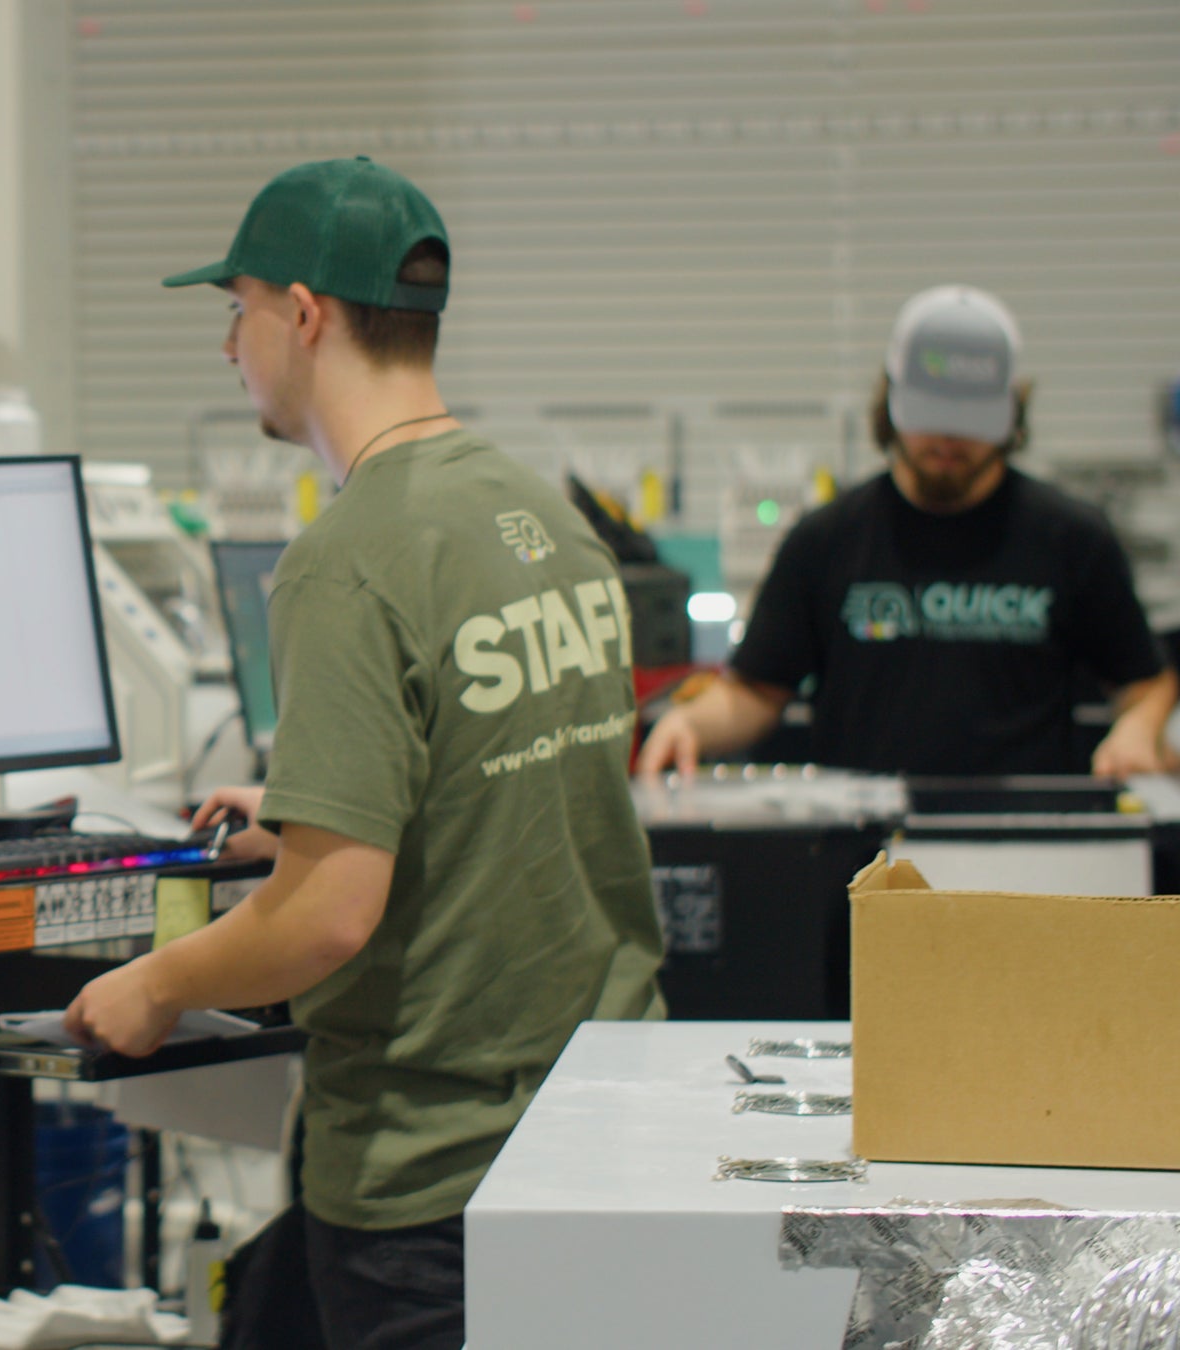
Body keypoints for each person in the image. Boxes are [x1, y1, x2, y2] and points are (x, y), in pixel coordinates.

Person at [60, 158, 665, 1350]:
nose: (228, 346)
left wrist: (152, 986)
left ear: (304, 314)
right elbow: (527, 777)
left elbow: (330, 919)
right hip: (596, 1130)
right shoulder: (547, 518)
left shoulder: (349, 559)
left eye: (235, 310)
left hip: (435, 1178)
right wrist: (316, 804)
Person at [637, 286, 1177, 780]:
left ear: (1011, 413)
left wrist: (1137, 728)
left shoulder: (1071, 539)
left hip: (1024, 842)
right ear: (890, 401)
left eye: (970, 420)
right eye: (932, 416)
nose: (947, 440)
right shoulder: (825, 541)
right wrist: (691, 724)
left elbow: (1146, 683)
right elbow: (755, 693)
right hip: (864, 852)